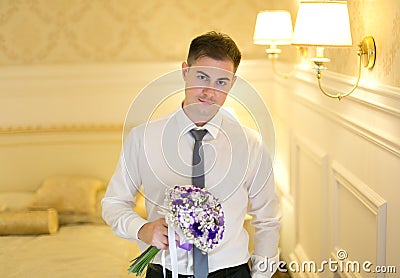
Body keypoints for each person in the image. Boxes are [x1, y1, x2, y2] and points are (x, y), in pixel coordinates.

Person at [102, 31, 281, 278]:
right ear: (185, 72)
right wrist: (141, 228)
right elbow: (113, 203)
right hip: (164, 271)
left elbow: (268, 219)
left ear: (232, 83)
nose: (209, 91)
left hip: (232, 272)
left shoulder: (250, 143)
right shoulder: (142, 139)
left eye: (221, 82)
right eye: (202, 77)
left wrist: (261, 275)